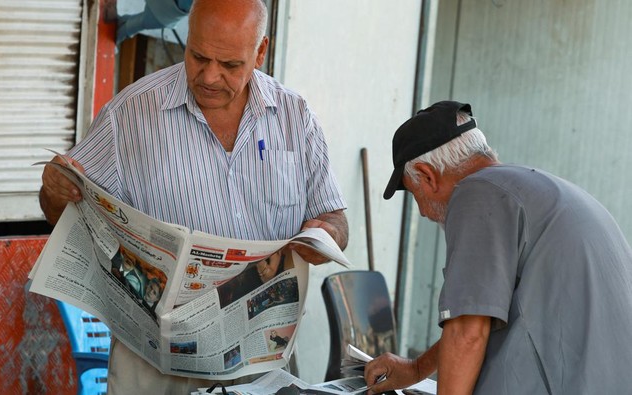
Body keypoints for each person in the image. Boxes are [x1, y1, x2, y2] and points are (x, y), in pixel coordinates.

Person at [38, 0, 348, 392]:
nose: (210, 77)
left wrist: (324, 237)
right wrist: (54, 189)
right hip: (154, 364)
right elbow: (60, 213)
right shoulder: (131, 114)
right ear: (187, 39)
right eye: (198, 56)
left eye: (230, 65)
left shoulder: (295, 117)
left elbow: (335, 220)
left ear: (261, 51)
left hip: (259, 360)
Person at [365, 100, 632, 394]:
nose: (424, 213)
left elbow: (468, 332)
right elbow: (486, 318)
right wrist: (417, 368)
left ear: (428, 176)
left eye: (416, 195)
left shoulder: (477, 194)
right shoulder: (530, 188)